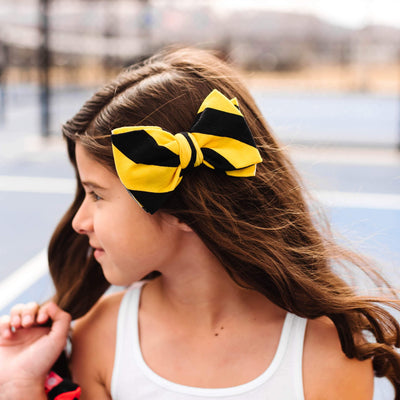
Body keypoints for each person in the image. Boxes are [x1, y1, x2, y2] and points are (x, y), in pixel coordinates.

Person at [0, 47, 399, 400]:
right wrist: (20, 387)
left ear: (183, 207)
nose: (79, 222)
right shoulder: (101, 335)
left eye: (97, 195)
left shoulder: (327, 353)